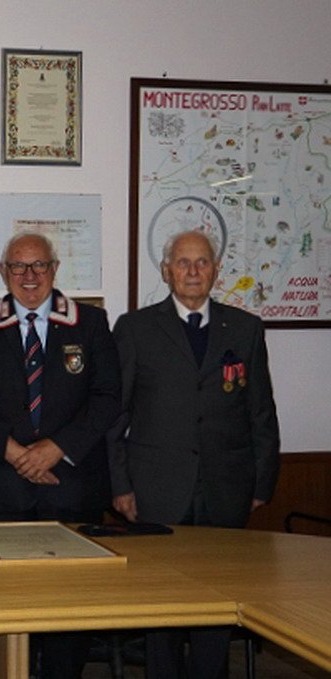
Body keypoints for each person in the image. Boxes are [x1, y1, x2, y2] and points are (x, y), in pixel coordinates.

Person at [109, 229, 280, 679]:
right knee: (161, 605)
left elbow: (261, 412)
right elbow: (116, 415)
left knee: (218, 604)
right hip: (156, 489)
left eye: (202, 262)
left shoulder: (244, 328)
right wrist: (120, 485)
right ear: (166, 271)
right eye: (182, 263)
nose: (192, 271)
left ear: (216, 271)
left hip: (227, 488)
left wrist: (261, 484)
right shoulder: (135, 329)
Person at [0, 231, 120, 679]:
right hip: (0, 493)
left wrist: (56, 448)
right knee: (6, 611)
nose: (29, 275)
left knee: (70, 610)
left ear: (55, 269)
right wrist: (17, 455)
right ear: (2, 272)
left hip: (71, 488)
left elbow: (108, 397)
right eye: (18, 266)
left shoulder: (90, 323)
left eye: (39, 265)